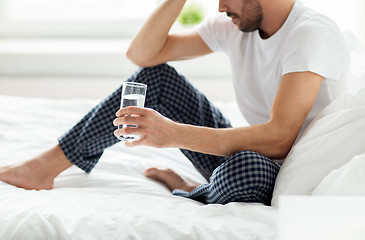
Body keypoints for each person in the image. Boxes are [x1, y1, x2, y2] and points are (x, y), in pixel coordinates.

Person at [0, 0, 351, 205]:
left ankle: (192, 189)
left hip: (286, 171)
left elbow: (279, 138)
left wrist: (173, 135)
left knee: (247, 168)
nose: (219, 6)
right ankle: (45, 166)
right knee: (157, 78)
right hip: (249, 153)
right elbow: (143, 54)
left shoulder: (310, 33)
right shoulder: (236, 26)